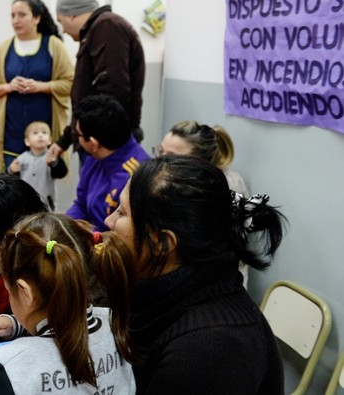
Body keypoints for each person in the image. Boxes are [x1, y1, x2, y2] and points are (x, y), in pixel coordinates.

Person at [104, 155, 286, 393]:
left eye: (122, 213)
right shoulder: (161, 289)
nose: (109, 220)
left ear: (162, 243)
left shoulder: (208, 350)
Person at [0, 213, 137, 394]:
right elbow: (65, 321)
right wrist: (16, 324)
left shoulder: (3, 367)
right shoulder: (116, 320)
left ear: (24, 291)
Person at [49, 0, 146, 166]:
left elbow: (113, 93)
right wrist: (65, 140)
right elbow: (88, 98)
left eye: (61, 21)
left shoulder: (106, 26)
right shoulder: (97, 29)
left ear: (71, 15)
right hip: (96, 142)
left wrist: (89, 139)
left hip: (106, 146)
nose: (63, 30)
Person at [154, 121, 251, 287]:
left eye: (169, 157)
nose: (158, 161)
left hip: (217, 286)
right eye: (159, 152)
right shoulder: (174, 180)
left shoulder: (225, 187)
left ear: (199, 161)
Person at [0, 0, 74, 175]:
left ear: (37, 18)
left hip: (44, 134)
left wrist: (41, 86)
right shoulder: (4, 49)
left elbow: (70, 82)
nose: (16, 20)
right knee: (12, 188)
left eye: (22, 15)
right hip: (11, 133)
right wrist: (8, 87)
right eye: (12, 15)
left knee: (41, 189)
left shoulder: (53, 45)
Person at [66, 95, 149, 231]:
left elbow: (122, 238)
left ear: (93, 143)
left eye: (78, 135)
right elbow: (81, 205)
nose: (77, 140)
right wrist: (61, 227)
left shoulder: (136, 177)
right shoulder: (95, 155)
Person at [8, 121, 68, 211]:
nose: (40, 135)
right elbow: (12, 181)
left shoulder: (52, 157)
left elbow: (62, 173)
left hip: (47, 203)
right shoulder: (21, 159)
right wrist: (11, 170)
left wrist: (54, 163)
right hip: (26, 203)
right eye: (35, 133)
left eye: (44, 132)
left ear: (50, 140)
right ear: (27, 141)